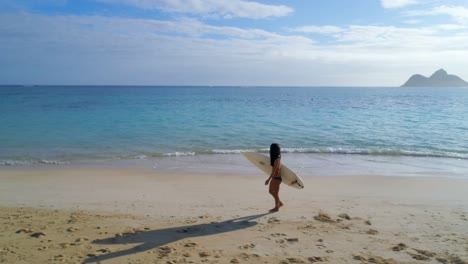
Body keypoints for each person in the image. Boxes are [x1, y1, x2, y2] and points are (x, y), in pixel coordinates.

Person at [264, 143, 284, 212]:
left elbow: (274, 172)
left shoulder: (276, 160)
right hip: (277, 178)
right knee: (272, 192)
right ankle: (279, 203)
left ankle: (277, 207)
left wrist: (268, 180)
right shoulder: (278, 158)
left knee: (273, 193)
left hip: (276, 179)